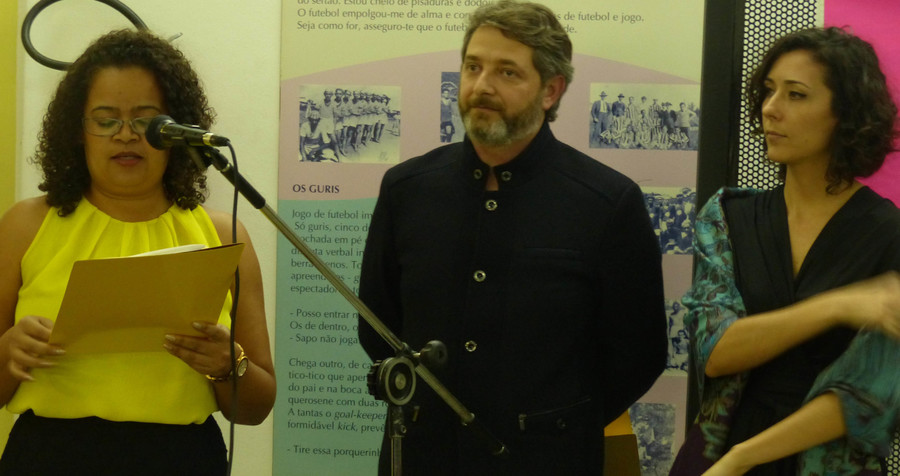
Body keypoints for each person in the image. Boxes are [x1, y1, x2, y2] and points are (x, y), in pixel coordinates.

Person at [357, 1, 667, 474]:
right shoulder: (407, 190)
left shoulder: (608, 203)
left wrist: (553, 424)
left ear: (551, 90)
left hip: (548, 461)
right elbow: (377, 325)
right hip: (424, 455)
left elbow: (637, 353)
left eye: (507, 72)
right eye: (473, 67)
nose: (482, 86)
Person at [0, 29, 276, 475]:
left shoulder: (222, 235)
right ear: (78, 131)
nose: (126, 136)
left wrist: (230, 365)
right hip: (51, 454)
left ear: (176, 131)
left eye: (146, 121)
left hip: (183, 457)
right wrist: (9, 349)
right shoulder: (26, 226)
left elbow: (256, 408)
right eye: (106, 120)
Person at [669, 27, 900, 476]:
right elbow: (716, 350)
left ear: (845, 113)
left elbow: (865, 397)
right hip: (717, 451)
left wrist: (743, 457)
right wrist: (835, 306)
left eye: (796, 95)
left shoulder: (890, 235)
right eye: (769, 92)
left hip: (816, 462)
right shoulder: (729, 214)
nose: (770, 110)